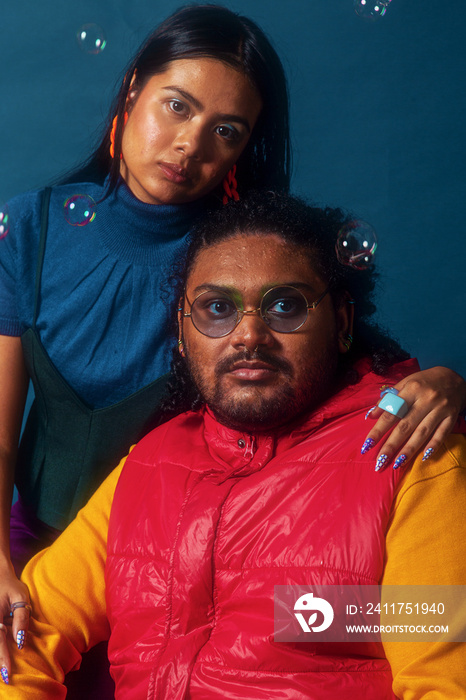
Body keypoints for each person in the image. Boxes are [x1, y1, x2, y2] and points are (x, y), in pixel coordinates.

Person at [0, 0, 464, 682]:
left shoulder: (237, 250)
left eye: (226, 130)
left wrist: (445, 385)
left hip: (183, 550)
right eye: (176, 107)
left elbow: (428, 628)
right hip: (65, 545)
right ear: (132, 91)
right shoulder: (32, 230)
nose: (190, 146)